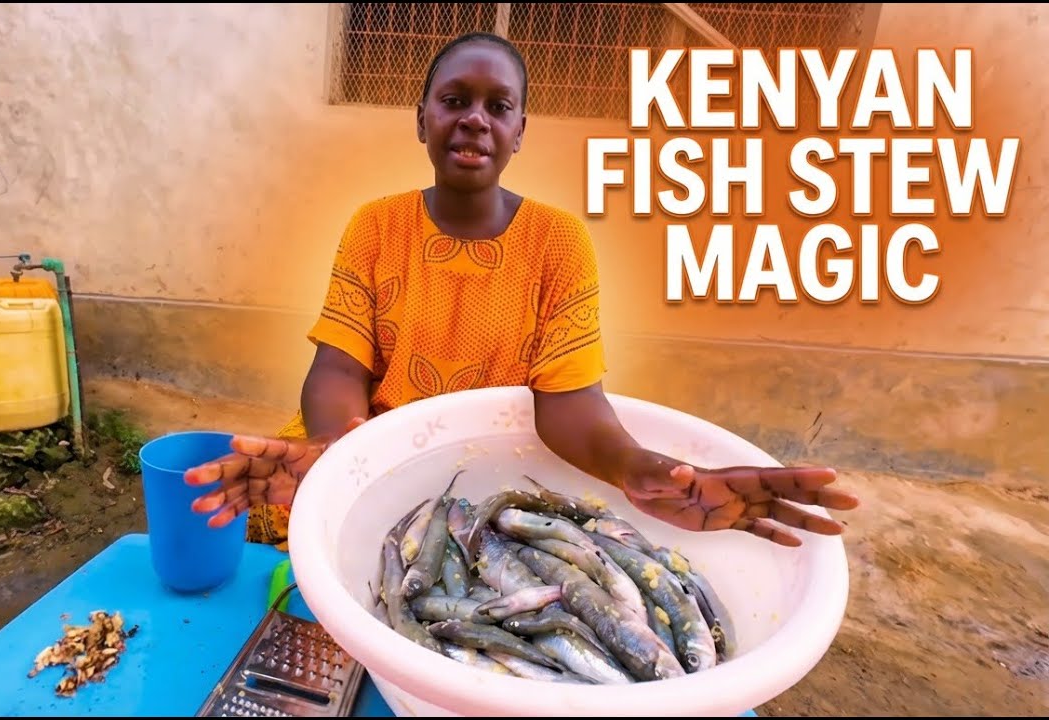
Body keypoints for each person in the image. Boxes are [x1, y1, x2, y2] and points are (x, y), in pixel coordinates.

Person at [184, 31, 859, 552]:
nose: (475, 119)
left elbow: (569, 404)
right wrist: (343, 455)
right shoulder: (376, 225)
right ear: (423, 120)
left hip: (493, 461)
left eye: (497, 107)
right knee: (281, 510)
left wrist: (639, 466)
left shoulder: (558, 244)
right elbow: (338, 367)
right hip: (374, 442)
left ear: (519, 133)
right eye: (455, 101)